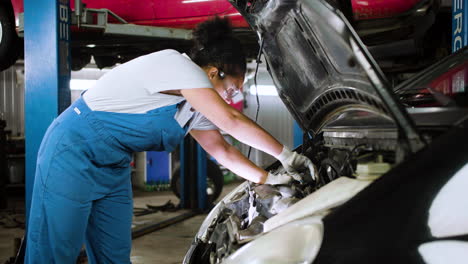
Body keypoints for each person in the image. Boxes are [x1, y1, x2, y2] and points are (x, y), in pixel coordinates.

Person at [25, 17, 316, 263]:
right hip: (72, 152)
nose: (232, 97)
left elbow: (223, 150)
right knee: (56, 249)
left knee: (113, 252)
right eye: (232, 89)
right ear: (215, 72)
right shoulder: (175, 65)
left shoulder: (194, 108)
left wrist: (266, 179)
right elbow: (232, 121)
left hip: (112, 167)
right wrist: (285, 155)